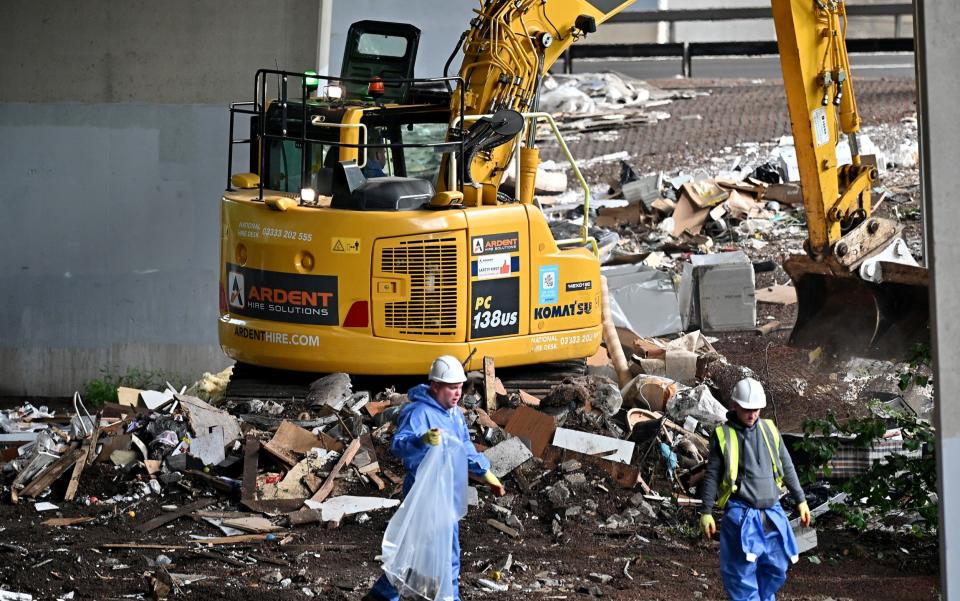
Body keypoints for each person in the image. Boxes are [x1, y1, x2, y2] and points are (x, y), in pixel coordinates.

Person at [363, 355, 506, 601]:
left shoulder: (454, 415)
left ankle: (388, 595)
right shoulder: (419, 413)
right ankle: (427, 596)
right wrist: (422, 440)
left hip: (446, 491)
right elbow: (398, 445)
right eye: (452, 387)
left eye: (460, 387)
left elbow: (465, 448)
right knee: (428, 550)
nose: (457, 393)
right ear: (436, 386)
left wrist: (488, 475)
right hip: (424, 492)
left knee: (430, 549)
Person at [698, 377, 811, 601]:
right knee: (741, 574)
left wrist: (801, 499)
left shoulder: (769, 429)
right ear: (734, 406)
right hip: (742, 515)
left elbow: (787, 465)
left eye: (756, 410)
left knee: (776, 567)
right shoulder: (723, 435)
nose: (752, 415)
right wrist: (706, 511)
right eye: (747, 410)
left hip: (772, 512)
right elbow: (711, 475)